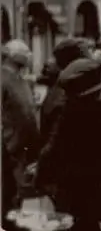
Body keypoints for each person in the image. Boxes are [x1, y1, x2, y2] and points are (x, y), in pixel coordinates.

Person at [35, 57, 101, 231]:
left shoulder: (67, 113)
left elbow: (48, 156)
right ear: (98, 90)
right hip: (97, 208)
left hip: (70, 204)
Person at [0, 41, 38, 231]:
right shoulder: (3, 78)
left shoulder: (19, 78)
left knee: (18, 195)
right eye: (25, 52)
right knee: (9, 194)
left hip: (22, 147)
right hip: (10, 147)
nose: (28, 55)